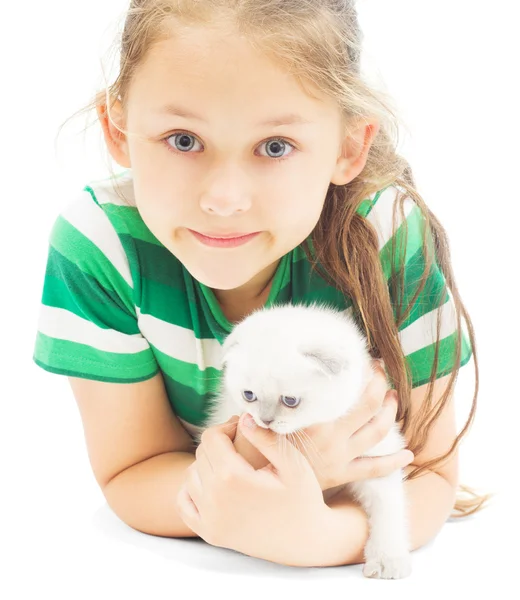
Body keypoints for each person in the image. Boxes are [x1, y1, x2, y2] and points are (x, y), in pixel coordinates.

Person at [33, 0, 493, 568]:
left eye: (275, 147)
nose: (224, 199)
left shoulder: (387, 233)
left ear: (350, 146)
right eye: (182, 139)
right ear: (118, 130)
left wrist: (316, 537)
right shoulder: (99, 247)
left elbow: (429, 471)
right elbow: (133, 470)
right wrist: (280, 477)